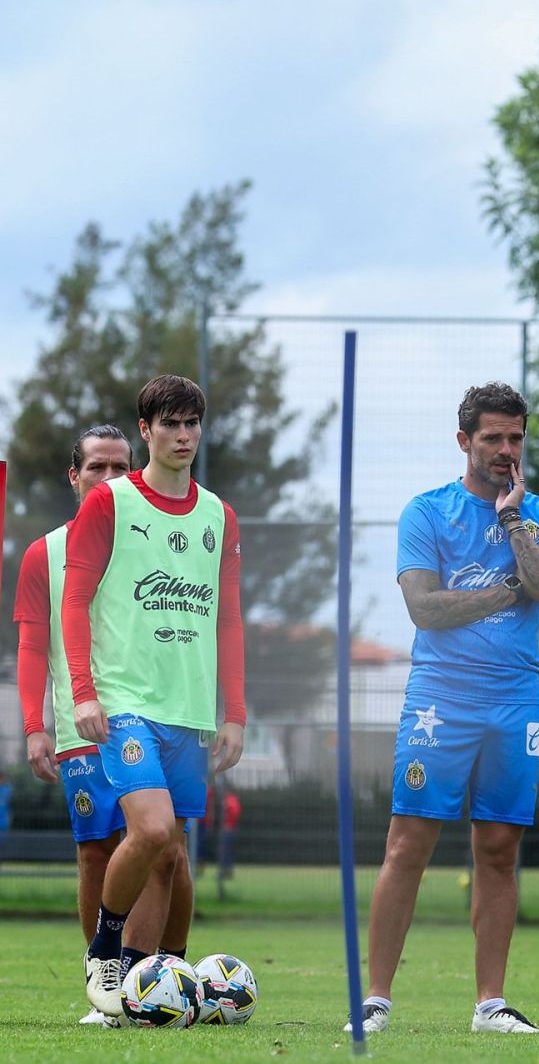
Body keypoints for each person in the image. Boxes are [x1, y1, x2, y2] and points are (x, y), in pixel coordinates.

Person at [349, 382, 539, 1036]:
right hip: (439, 698)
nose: (506, 450)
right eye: (493, 438)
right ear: (464, 441)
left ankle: (490, 1004)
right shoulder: (426, 511)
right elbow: (425, 608)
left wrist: (512, 523)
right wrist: (514, 586)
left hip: (514, 698)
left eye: (516, 438)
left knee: (499, 849)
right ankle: (376, 998)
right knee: (408, 843)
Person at [61, 377, 246, 1017]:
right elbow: (75, 601)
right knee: (152, 827)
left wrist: (236, 714)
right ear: (146, 431)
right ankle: (105, 951)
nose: (184, 436)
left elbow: (228, 620)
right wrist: (85, 693)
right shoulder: (109, 502)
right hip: (125, 702)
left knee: (168, 858)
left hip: (189, 712)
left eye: (193, 423)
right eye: (171, 424)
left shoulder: (218, 515)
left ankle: (137, 991)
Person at [14, 424, 195, 1025]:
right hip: (81, 726)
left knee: (167, 852)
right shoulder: (47, 552)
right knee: (96, 853)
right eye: (98, 468)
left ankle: (164, 980)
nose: (112, 479)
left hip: (155, 716)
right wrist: (36, 725)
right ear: (76, 477)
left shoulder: (157, 535)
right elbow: (34, 642)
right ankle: (107, 983)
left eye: (122, 466)